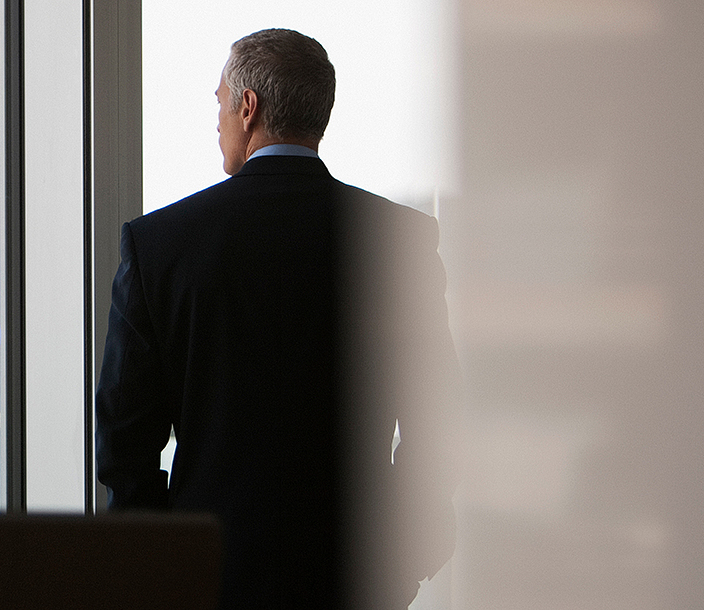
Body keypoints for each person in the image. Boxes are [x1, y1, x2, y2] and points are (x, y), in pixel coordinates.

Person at [94, 29, 455, 609]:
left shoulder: (160, 246)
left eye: (219, 103)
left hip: (213, 578)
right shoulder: (401, 242)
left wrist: (167, 565)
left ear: (248, 107)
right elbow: (437, 417)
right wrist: (407, 557)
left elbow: (123, 442)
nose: (217, 122)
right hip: (356, 576)